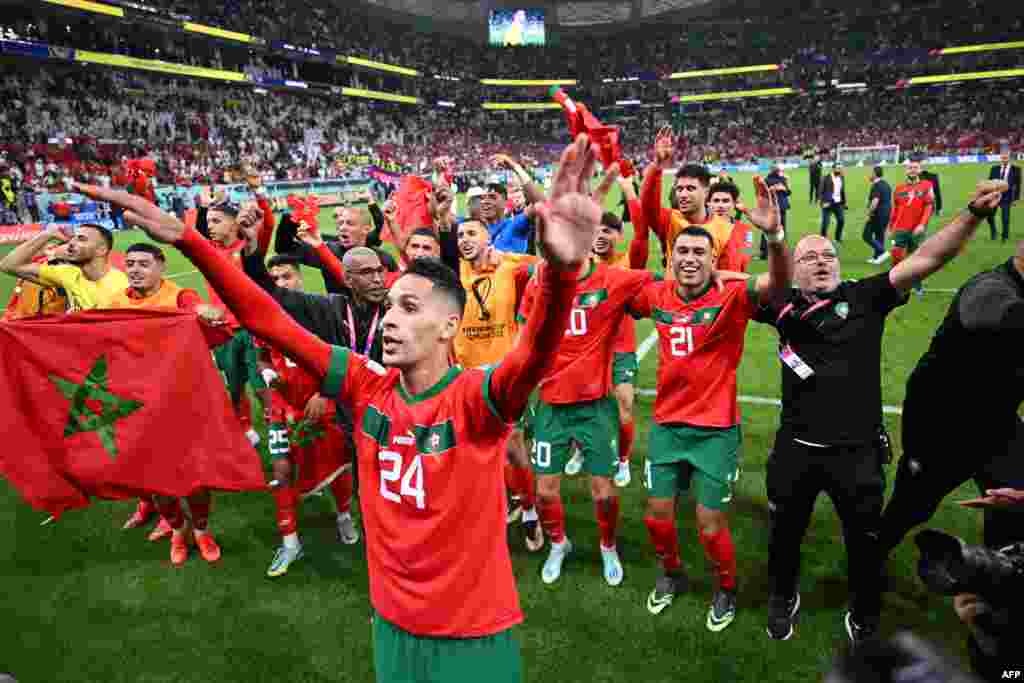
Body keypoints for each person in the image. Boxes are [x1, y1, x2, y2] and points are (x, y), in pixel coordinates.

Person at [76, 132, 604, 683]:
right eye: (390, 305)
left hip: (472, 632)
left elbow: (535, 352)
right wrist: (189, 240)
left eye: (410, 307)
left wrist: (562, 274)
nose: (392, 318)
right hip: (392, 623)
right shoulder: (362, 383)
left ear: (450, 326)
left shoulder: (476, 400)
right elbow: (266, 319)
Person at [754, 190, 1000, 647]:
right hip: (795, 452)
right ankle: (782, 595)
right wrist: (773, 238)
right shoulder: (780, 303)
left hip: (858, 455)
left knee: (864, 541)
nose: (822, 262)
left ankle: (865, 607)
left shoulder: (866, 295)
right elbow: (727, 280)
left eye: (828, 255)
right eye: (810, 257)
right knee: (784, 536)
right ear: (793, 269)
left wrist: (971, 215)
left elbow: (928, 259)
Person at [629, 178, 789, 632]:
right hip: (667, 426)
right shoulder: (656, 295)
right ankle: (672, 574)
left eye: (700, 252)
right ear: (671, 258)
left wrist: (775, 238)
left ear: (713, 260)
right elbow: (620, 285)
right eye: (683, 251)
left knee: (710, 522)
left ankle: (726, 587)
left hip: (715, 430)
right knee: (657, 517)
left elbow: (779, 285)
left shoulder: (732, 297)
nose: (690, 258)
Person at [880, 182, 1024, 558]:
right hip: (943, 423)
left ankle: (1002, 568)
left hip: (998, 420)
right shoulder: (990, 289)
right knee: (913, 505)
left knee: (1013, 502)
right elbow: (999, 318)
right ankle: (871, 554)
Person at [108, 242, 226, 565]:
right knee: (154, 476)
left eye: (143, 264)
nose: (135, 270)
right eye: (130, 264)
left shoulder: (180, 297)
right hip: (138, 403)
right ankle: (177, 528)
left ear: (161, 266)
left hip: (182, 400)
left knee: (195, 475)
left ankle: (201, 529)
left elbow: (202, 309)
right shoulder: (116, 303)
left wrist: (205, 313)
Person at [259, 253, 358, 578]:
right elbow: (262, 356)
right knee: (282, 468)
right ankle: (290, 543)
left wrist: (326, 394)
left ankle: (344, 515)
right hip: (283, 406)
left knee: (338, 463)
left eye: (287, 276)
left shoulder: (322, 313)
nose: (281, 283)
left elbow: (345, 358)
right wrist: (269, 377)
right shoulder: (263, 315)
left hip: (323, 402)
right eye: (275, 279)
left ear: (300, 278)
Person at [453, 218, 542, 551]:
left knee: (514, 446)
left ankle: (530, 510)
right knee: (482, 448)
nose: (464, 239)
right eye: (460, 235)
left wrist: (506, 257)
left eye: (471, 233)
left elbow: (548, 267)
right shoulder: (455, 272)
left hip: (503, 372)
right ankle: (504, 501)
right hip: (466, 375)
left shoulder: (509, 265)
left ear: (487, 238)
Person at [640, 128, 755, 275]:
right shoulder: (671, 221)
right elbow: (647, 205)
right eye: (679, 189)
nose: (683, 194)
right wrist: (657, 164)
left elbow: (728, 278)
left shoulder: (726, 230)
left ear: (706, 192)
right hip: (673, 290)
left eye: (690, 188)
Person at [0, 223, 128, 311]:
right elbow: (8, 265)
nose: (71, 243)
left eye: (81, 239)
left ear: (101, 250)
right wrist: (47, 234)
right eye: (73, 239)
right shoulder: (68, 273)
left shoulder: (120, 286)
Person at [274, 204, 398, 294]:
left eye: (349, 223)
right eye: (340, 223)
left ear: (366, 229)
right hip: (338, 319)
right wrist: (289, 218)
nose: (342, 228)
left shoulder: (383, 259)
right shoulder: (329, 250)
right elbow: (284, 248)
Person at [887, 159, 935, 296]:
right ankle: (896, 284)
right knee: (895, 257)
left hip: (916, 230)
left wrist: (922, 224)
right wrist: (890, 227)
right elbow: (895, 209)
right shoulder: (899, 188)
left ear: (920, 170)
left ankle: (917, 285)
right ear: (906, 171)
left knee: (915, 259)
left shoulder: (927, 185)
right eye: (910, 168)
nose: (912, 170)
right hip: (899, 229)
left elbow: (929, 206)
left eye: (915, 167)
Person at [2, 239, 69, 319]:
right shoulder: (43, 272)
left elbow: (8, 266)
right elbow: (7, 266)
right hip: (26, 319)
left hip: (37, 319)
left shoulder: (68, 276)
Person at [987, 152, 1021, 242]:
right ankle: (993, 231)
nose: (1004, 160)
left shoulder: (1016, 169)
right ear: (1000, 158)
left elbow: (1018, 185)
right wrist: (987, 196)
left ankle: (1005, 236)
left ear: (1009, 158)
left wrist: (1016, 199)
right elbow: (989, 183)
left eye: (1006, 158)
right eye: (1003, 158)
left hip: (1007, 196)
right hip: (994, 196)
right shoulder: (994, 169)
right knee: (989, 215)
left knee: (1005, 217)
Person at [865, 166, 892, 265]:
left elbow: (875, 202)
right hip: (886, 213)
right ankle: (877, 257)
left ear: (875, 174)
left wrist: (869, 214)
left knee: (866, 235)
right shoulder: (886, 184)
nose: (869, 175)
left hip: (877, 214)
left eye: (871, 173)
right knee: (879, 236)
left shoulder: (876, 185)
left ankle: (883, 252)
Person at [819, 163, 847, 243]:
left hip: (838, 203)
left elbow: (842, 191)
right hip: (828, 203)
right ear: (833, 169)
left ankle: (837, 238)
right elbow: (821, 191)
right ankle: (822, 239)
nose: (840, 170)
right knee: (825, 223)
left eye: (841, 168)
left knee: (841, 220)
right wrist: (822, 203)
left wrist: (844, 202)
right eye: (838, 168)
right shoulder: (826, 178)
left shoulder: (842, 177)